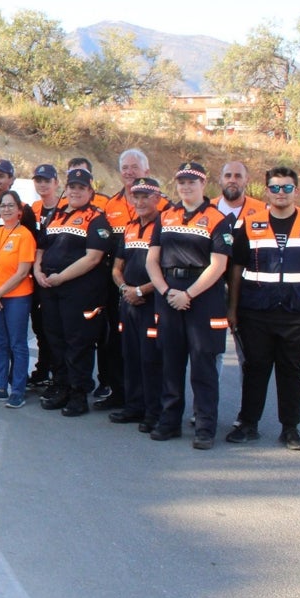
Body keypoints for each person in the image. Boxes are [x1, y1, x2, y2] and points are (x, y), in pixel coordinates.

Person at [226, 167, 300, 451]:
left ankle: (290, 429)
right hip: (257, 311)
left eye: (286, 188)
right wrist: (233, 308)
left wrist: (297, 281)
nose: (280, 193)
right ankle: (248, 424)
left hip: (297, 313)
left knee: (292, 372)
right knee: (255, 370)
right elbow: (237, 269)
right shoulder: (251, 224)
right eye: (275, 188)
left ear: (296, 191)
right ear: (266, 191)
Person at [145, 162, 231, 450]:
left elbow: (218, 265)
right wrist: (167, 290)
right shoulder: (166, 216)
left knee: (203, 366)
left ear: (203, 184)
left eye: (192, 182)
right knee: (171, 363)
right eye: (181, 181)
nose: (186, 186)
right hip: (169, 294)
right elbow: (151, 260)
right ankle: (169, 421)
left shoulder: (218, 219)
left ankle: (205, 427)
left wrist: (188, 294)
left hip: (203, 297)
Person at [34, 167, 109, 417]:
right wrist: (38, 271)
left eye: (81, 187)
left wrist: (61, 278)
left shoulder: (97, 218)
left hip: (79, 290)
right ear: (65, 189)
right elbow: (41, 248)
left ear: (90, 191)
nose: (75, 191)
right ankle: (62, 385)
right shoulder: (55, 215)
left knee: (78, 341)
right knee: (55, 338)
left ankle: (79, 393)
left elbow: (93, 258)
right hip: (50, 286)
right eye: (72, 187)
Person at [98, 149, 165, 409]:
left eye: (134, 167)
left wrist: (142, 290)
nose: (129, 172)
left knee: (150, 352)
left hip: (152, 291)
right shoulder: (110, 204)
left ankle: (152, 406)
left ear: (146, 171)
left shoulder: (165, 210)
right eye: (124, 167)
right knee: (117, 342)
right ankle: (121, 394)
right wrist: (124, 287)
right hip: (119, 284)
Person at [109, 177, 164, 431]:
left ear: (157, 198)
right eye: (136, 196)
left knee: (151, 358)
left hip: (153, 302)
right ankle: (134, 407)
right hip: (128, 301)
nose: (140, 202)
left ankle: (154, 412)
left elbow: (167, 272)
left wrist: (142, 290)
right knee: (130, 354)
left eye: (146, 196)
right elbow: (116, 268)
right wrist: (125, 289)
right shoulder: (130, 227)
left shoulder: (165, 226)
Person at [0, 189, 37, 408]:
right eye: (3, 205)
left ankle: (18, 390)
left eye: (11, 205)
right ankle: (0, 387)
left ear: (19, 210)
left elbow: (22, 272)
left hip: (16, 298)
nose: (6, 209)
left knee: (17, 344)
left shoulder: (25, 235)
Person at [27, 164, 62, 388]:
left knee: (57, 329)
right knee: (40, 326)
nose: (42, 184)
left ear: (56, 183)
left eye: (46, 180)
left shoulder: (65, 207)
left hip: (59, 275)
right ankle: (43, 368)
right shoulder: (34, 208)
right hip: (36, 274)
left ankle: (59, 375)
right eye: (38, 180)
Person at [216, 161, 267, 227]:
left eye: (238, 176)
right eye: (228, 176)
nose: (232, 180)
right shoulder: (207, 208)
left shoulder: (263, 210)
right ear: (220, 179)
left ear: (247, 180)